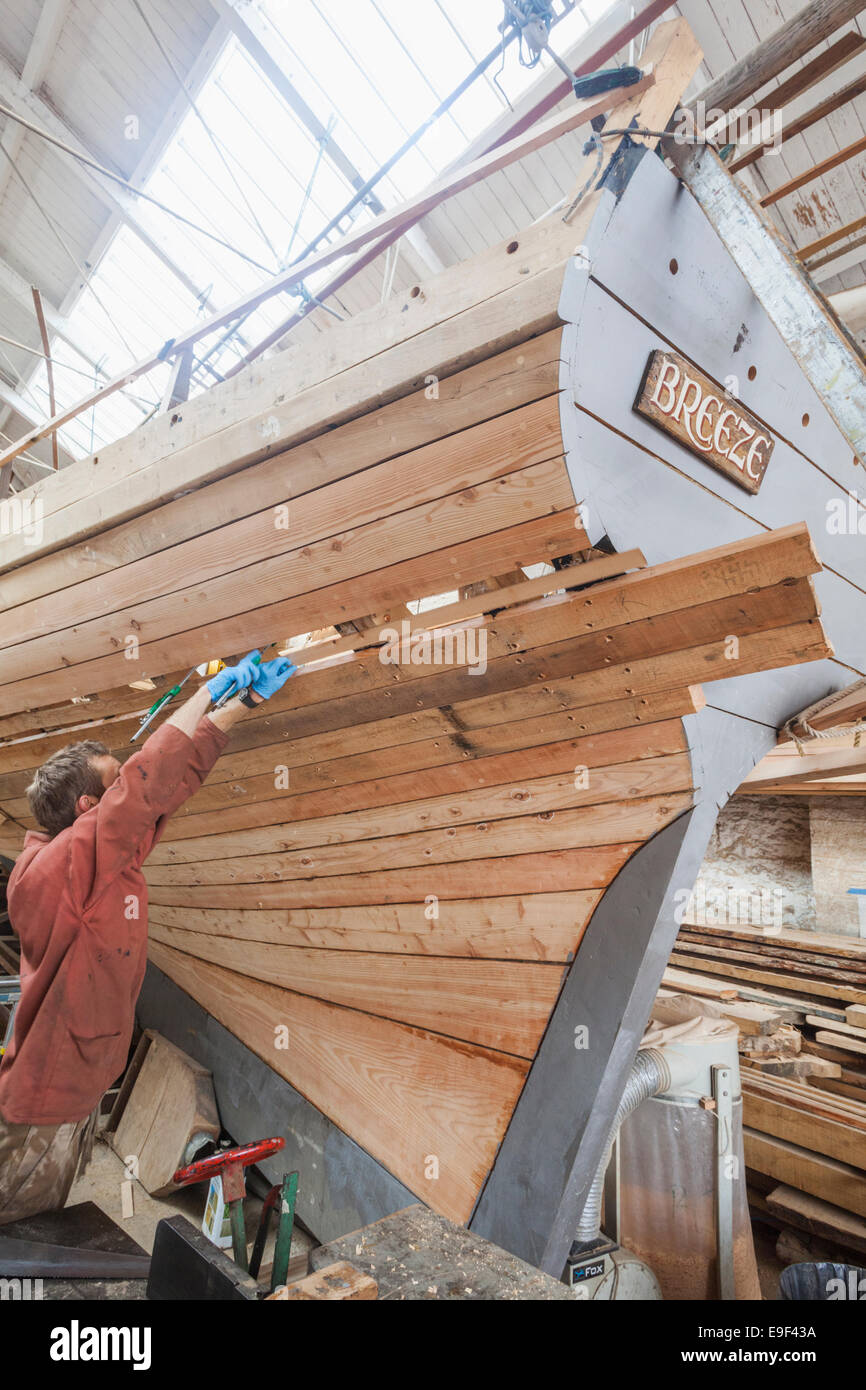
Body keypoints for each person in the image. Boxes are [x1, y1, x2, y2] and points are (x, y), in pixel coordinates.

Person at [0, 650, 295, 1225]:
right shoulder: (54, 871)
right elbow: (143, 784)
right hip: (43, 1100)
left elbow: (165, 789)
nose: (127, 788)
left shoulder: (107, 862)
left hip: (80, 1085)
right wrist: (204, 695)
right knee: (20, 1227)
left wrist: (239, 705)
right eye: (112, 785)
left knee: (46, 1214)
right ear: (89, 808)